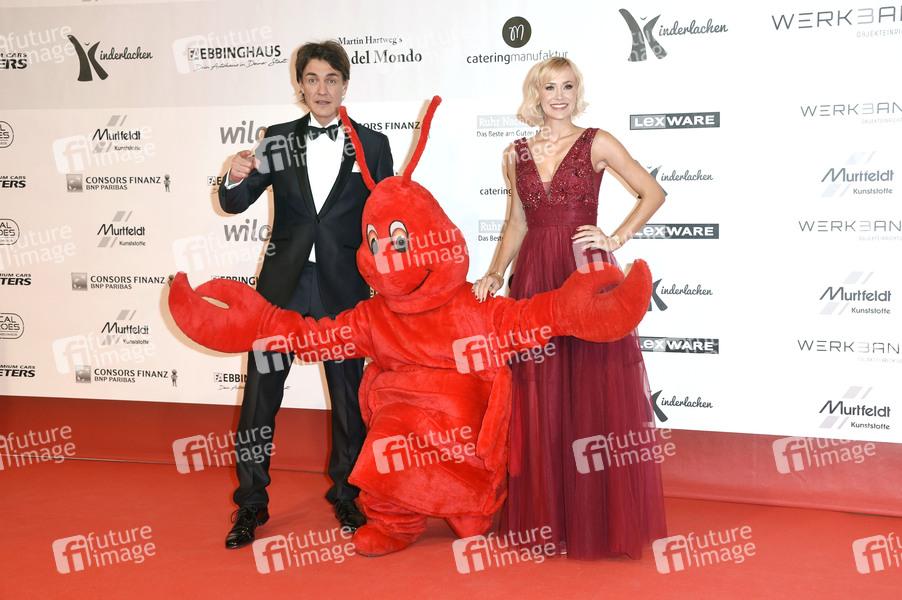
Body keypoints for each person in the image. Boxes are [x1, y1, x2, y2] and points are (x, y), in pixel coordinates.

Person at [473, 56, 667, 559]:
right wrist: (495, 271)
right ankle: (548, 519)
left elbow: (652, 192)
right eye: (549, 87)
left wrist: (615, 238)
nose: (558, 96)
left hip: (584, 272)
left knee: (592, 386)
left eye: (567, 86)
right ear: (535, 94)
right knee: (540, 392)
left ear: (577, 92)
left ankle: (597, 519)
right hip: (535, 277)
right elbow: (517, 223)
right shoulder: (514, 153)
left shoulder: (598, 142)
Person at [217, 40, 393, 549]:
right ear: (300, 85)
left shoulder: (372, 144)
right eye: (312, 78)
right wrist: (232, 175)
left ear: (345, 85)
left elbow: (388, 214)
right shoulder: (276, 139)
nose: (322, 89)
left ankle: (347, 495)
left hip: (344, 292)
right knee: (259, 400)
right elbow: (235, 202)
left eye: (331, 79)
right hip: (282, 292)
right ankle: (251, 504)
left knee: (348, 401)